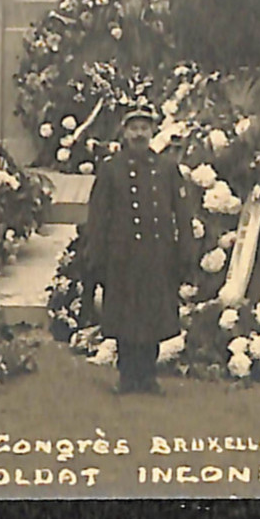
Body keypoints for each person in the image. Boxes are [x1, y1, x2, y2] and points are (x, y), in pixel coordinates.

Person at [87, 105, 194, 394]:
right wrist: (95, 256)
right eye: (133, 128)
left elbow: (182, 213)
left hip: (158, 255)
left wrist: (186, 250)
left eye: (144, 128)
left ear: (152, 131)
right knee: (125, 315)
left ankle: (147, 375)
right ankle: (127, 375)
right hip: (122, 256)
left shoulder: (166, 168)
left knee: (152, 315)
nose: (139, 134)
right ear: (124, 132)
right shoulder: (111, 168)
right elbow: (98, 216)